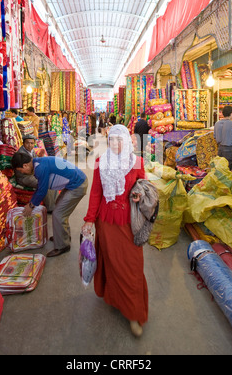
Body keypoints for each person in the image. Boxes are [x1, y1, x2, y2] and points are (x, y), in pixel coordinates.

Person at [82, 125, 148, 337]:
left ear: (127, 141)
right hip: (107, 222)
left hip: (128, 223)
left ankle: (134, 312)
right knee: (111, 263)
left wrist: (139, 195)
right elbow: (95, 194)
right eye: (112, 140)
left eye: (120, 140)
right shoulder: (101, 163)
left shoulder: (136, 163)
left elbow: (144, 188)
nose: (116, 144)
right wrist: (89, 220)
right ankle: (116, 299)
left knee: (131, 266)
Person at [11, 154, 88, 257]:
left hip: (77, 185)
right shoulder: (38, 162)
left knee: (58, 214)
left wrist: (31, 205)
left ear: (25, 165)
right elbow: (40, 187)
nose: (22, 173)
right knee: (59, 208)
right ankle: (63, 236)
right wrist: (32, 202)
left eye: (21, 170)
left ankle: (62, 246)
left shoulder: (40, 168)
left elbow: (42, 190)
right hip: (75, 182)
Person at [14, 135, 57, 212]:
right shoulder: (21, 153)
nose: (30, 145)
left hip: (31, 173)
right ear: (23, 143)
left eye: (31, 143)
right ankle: (50, 207)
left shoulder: (31, 150)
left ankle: (55, 202)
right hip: (25, 177)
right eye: (27, 143)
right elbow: (28, 169)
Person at [214, 105, 232, 171]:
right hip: (230, 150)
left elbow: (215, 137)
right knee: (230, 170)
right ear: (231, 114)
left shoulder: (217, 123)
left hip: (220, 149)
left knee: (221, 169)